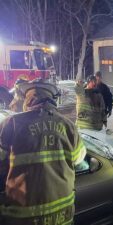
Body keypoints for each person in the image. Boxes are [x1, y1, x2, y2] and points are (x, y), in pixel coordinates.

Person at [0, 79, 86, 225]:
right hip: (62, 216)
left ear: (28, 100)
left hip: (23, 217)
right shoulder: (69, 126)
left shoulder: (11, 123)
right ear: (52, 99)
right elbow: (79, 160)